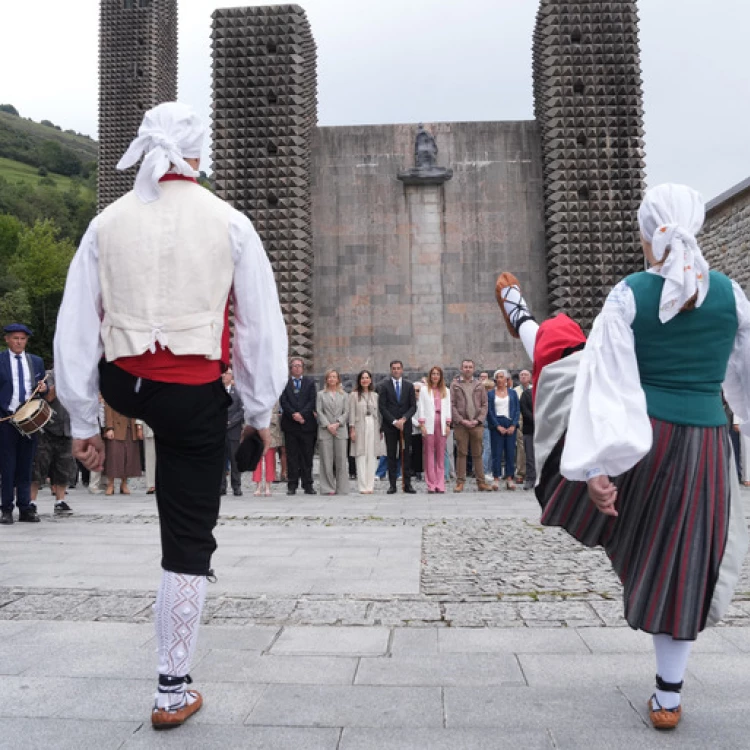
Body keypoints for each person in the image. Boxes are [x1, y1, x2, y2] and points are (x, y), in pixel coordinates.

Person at [54, 102, 287, 730]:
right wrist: (259, 413)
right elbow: (259, 326)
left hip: (123, 381)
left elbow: (76, 327)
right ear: (198, 155)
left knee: (124, 376)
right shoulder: (230, 222)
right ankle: (170, 688)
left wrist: (84, 423)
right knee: (186, 544)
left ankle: (108, 437)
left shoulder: (106, 222)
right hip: (191, 393)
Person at [495, 182, 750, 731]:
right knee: (682, 562)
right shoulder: (733, 298)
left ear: (647, 233)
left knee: (566, 372)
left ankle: (533, 331)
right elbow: (746, 376)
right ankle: (668, 696)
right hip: (705, 445)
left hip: (642, 441)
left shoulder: (630, 294)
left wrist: (596, 468)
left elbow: (604, 385)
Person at [0, 323, 47, 524]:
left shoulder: (35, 362)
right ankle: (7, 508)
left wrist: (44, 388)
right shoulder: (0, 360)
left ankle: (26, 507)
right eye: (15, 338)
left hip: (29, 421)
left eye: (22, 339)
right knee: (7, 465)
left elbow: (42, 391)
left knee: (27, 465)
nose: (19, 342)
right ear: (7, 339)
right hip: (6, 419)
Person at [30, 370, 75, 516]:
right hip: (48, 428)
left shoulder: (76, 376)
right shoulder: (49, 375)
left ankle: (60, 501)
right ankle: (32, 502)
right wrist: (61, 382)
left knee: (64, 467)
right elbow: (48, 397)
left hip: (66, 428)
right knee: (39, 467)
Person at [450, 359, 492, 492]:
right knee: (461, 453)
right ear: (461, 369)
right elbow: (451, 404)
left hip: (477, 424)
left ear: (473, 369)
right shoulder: (455, 385)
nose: (467, 369)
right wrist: (461, 420)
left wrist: (478, 420)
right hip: (461, 425)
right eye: (465, 367)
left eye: (470, 367)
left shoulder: (479, 385)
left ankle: (481, 482)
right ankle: (460, 482)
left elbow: (485, 404)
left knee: (477, 454)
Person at [378, 360, 417, 494]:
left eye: (398, 368)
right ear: (390, 370)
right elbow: (382, 407)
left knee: (406, 454)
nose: (396, 370)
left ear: (402, 370)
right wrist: (394, 421)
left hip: (405, 426)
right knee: (391, 454)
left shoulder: (409, 386)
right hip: (390, 426)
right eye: (393, 368)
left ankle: (407, 484)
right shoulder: (384, 386)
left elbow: (413, 406)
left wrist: (404, 419)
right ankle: (392, 484)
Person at [279, 357, 317, 495]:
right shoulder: (284, 383)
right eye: (294, 366)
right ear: (290, 368)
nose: (297, 368)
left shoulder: (310, 383)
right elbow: (283, 401)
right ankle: (292, 484)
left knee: (307, 456)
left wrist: (302, 415)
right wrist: (293, 414)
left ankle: (308, 484)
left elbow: (312, 401)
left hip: (307, 426)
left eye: (299, 366)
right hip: (290, 425)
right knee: (292, 456)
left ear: (303, 368)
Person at [418, 366, 451, 493]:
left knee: (441, 454)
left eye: (437, 374)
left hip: (441, 423)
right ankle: (431, 484)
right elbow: (421, 407)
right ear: (430, 376)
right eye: (433, 374)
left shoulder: (446, 391)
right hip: (429, 424)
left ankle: (440, 483)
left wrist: (448, 424)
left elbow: (448, 407)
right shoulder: (424, 390)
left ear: (441, 376)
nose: (435, 376)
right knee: (429, 454)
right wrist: (422, 424)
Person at [316, 369, 349, 496]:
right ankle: (328, 487)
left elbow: (346, 412)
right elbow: (319, 411)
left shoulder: (344, 395)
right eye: (329, 377)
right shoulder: (321, 395)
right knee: (326, 460)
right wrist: (328, 425)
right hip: (325, 430)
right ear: (326, 379)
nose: (332, 379)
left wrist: (337, 423)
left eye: (334, 377)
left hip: (340, 430)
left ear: (338, 379)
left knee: (341, 460)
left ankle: (342, 488)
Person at [486, 368, 519, 490]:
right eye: (497, 377)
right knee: (496, 452)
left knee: (510, 452)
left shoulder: (513, 393)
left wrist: (513, 425)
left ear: (506, 379)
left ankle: (509, 478)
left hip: (510, 422)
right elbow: (489, 411)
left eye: (502, 377)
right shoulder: (490, 394)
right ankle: (496, 478)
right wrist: (497, 425)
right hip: (497, 423)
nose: (499, 379)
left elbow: (516, 410)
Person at [348, 370, 380, 494]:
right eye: (362, 378)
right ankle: (362, 486)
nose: (365, 380)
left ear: (370, 380)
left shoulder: (375, 395)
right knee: (361, 455)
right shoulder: (354, 395)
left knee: (371, 455)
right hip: (359, 425)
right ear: (359, 380)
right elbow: (351, 413)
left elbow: (378, 414)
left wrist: (379, 429)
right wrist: (352, 429)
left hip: (373, 424)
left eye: (367, 378)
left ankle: (370, 485)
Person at [103, 402, 142, 495]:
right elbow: (108, 409)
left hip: (131, 427)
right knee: (113, 456)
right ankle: (110, 484)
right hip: (116, 427)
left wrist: (139, 427)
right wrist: (109, 427)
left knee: (129, 457)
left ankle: (124, 484)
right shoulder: (112, 392)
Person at [220, 369, 244, 496]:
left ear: (231, 376)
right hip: (220, 431)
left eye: (226, 373)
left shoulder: (238, 392)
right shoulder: (217, 392)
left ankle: (236, 486)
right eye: (223, 374)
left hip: (234, 431)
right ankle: (221, 486)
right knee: (221, 461)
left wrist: (230, 422)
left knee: (235, 460)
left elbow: (241, 411)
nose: (224, 376)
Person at [252, 401, 281, 496]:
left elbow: (276, 415)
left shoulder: (274, 398)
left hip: (270, 432)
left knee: (270, 461)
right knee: (257, 461)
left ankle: (268, 486)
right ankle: (258, 486)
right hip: (257, 431)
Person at [520, 378, 535, 490]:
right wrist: (536, 419)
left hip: (545, 430)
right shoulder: (526, 394)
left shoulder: (546, 392)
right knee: (529, 456)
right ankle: (530, 479)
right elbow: (524, 410)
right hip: (530, 429)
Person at [410, 382, 424, 482]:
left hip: (423, 430)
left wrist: (422, 423)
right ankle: (413, 471)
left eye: (418, 390)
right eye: (414, 391)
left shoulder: (424, 402)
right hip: (413, 429)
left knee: (422, 452)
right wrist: (416, 423)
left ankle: (421, 471)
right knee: (413, 451)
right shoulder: (409, 402)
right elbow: (408, 414)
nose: (416, 393)